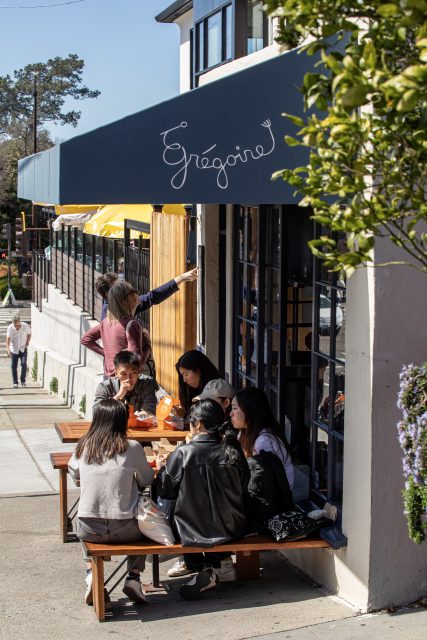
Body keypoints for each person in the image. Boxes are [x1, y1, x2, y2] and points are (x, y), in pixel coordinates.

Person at [155, 399, 249, 600]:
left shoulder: (183, 453)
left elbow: (166, 492)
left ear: (198, 424)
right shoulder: (233, 450)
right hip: (233, 528)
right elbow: (244, 485)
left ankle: (198, 566)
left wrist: (163, 468)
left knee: (173, 507)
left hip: (191, 531)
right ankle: (216, 566)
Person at [68, 399, 154, 608]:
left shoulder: (83, 446)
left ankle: (91, 574)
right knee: (146, 528)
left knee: (80, 524)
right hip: (125, 527)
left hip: (90, 527)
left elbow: (73, 470)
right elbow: (147, 479)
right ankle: (133, 577)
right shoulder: (132, 447)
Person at [81, 281, 151, 378]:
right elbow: (136, 361)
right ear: (126, 299)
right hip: (127, 381)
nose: (137, 294)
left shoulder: (106, 322)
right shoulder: (131, 324)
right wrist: (147, 346)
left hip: (109, 378)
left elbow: (85, 339)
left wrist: (106, 353)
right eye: (133, 291)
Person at [230, 388, 294, 491]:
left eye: (234, 408)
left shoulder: (263, 442)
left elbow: (265, 483)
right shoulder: (245, 432)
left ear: (249, 410)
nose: (231, 414)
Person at [95, 268, 198, 321]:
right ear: (107, 294)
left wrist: (181, 278)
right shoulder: (108, 315)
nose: (122, 288)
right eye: (117, 288)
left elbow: (152, 297)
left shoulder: (126, 302)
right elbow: (88, 339)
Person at [93, 350, 157, 415]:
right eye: (123, 374)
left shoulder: (147, 384)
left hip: (138, 424)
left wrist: (135, 419)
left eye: (133, 373)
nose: (129, 378)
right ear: (116, 373)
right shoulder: (105, 387)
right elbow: (96, 412)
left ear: (139, 372)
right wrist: (119, 395)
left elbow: (150, 410)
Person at [175, 350, 220, 414]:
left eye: (186, 375)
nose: (184, 380)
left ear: (198, 371)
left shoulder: (216, 390)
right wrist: (183, 416)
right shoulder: (193, 389)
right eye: (182, 375)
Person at [6, 313, 31, 388]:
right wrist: (8, 350)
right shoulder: (10, 328)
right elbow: (8, 339)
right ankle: (15, 382)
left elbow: (29, 334)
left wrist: (27, 342)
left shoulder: (25, 326)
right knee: (13, 366)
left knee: (24, 364)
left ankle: (23, 381)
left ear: (20, 322)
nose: (16, 327)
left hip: (23, 348)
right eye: (14, 325)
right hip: (14, 349)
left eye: (17, 325)